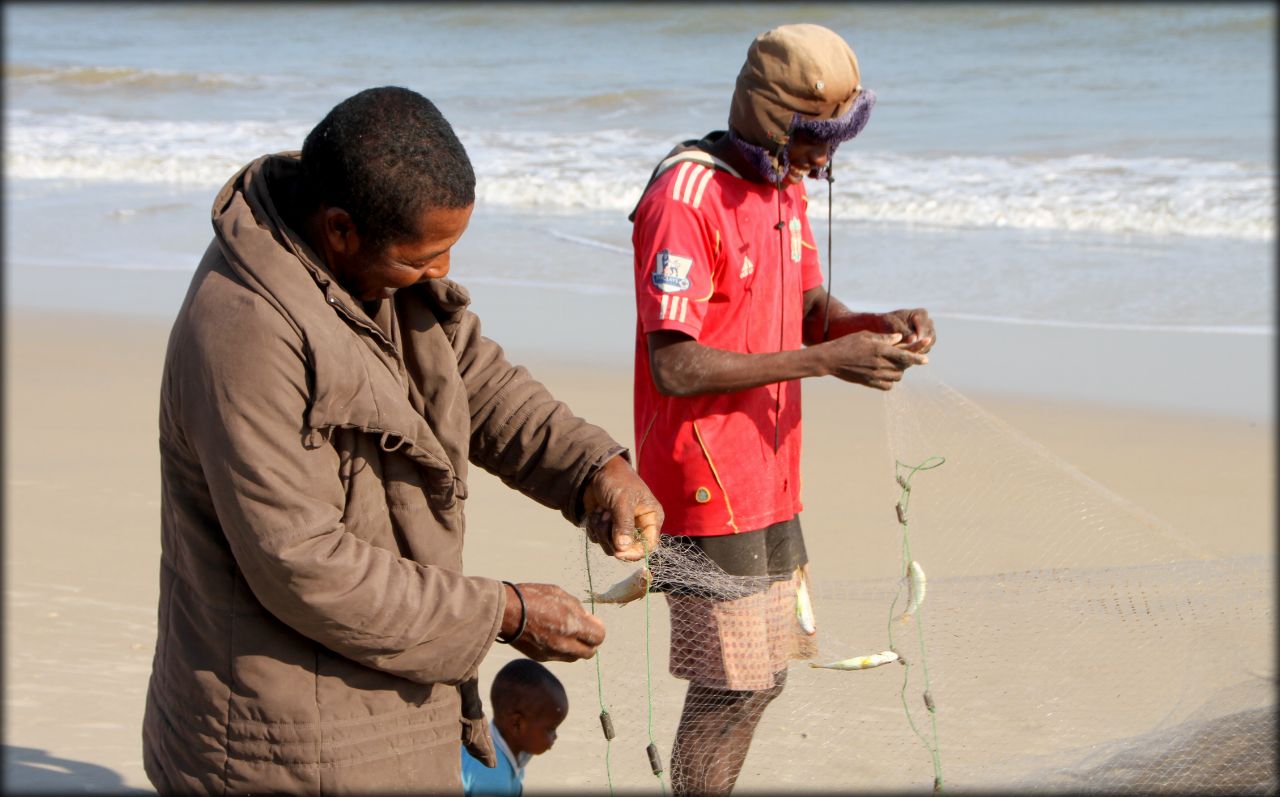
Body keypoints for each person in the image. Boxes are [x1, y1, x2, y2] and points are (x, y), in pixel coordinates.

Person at [142, 86, 663, 794]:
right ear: (341, 230)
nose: (443, 272)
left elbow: (477, 381)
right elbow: (303, 565)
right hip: (275, 741)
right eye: (427, 255)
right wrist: (503, 612)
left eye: (451, 249)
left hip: (391, 702)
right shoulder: (242, 334)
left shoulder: (381, 273)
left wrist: (594, 469)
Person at [628, 24, 935, 795]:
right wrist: (829, 361)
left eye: (834, 140)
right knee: (732, 682)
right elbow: (675, 364)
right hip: (705, 486)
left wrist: (873, 325)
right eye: (812, 139)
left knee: (765, 678)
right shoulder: (684, 196)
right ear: (770, 118)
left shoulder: (787, 188)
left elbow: (808, 312)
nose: (824, 158)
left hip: (770, 478)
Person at [460, 659, 568, 796]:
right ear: (517, 724)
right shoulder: (493, 775)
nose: (555, 736)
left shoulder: (505, 752)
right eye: (551, 729)